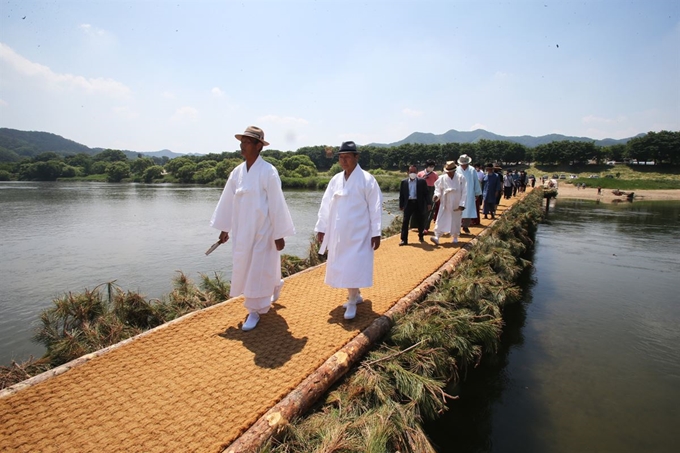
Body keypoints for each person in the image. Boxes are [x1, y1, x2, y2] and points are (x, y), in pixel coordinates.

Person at [210, 126, 295, 331]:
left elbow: (276, 203)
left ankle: (254, 310)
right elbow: (228, 201)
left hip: (263, 230)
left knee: (257, 268)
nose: (242, 145)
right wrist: (225, 228)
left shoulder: (268, 171)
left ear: (259, 146)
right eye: (242, 141)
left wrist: (279, 233)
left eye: (247, 142)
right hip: (241, 231)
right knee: (250, 265)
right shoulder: (237, 173)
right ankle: (275, 283)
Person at [315, 141, 382, 320]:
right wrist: (322, 228)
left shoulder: (367, 180)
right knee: (344, 265)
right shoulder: (335, 180)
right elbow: (325, 204)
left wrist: (376, 232)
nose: (343, 160)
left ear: (356, 157)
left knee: (354, 265)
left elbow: (375, 207)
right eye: (341, 157)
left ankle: (352, 300)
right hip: (339, 232)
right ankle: (356, 294)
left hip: (359, 232)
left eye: (347, 157)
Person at [430, 161, 467, 245]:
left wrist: (462, 204)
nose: (449, 174)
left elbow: (465, 192)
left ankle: (455, 237)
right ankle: (437, 236)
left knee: (455, 220)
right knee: (441, 219)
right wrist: (436, 195)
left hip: (456, 202)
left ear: (454, 171)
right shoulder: (442, 178)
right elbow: (438, 189)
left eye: (450, 172)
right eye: (447, 172)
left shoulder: (461, 178)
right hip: (445, 202)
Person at [399, 165, 430, 245]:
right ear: (407, 172)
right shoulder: (404, 182)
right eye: (410, 172)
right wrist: (401, 205)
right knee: (405, 222)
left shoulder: (422, 181)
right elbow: (401, 195)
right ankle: (404, 240)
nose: (412, 173)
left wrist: (428, 203)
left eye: (414, 172)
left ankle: (421, 236)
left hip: (418, 203)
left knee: (420, 221)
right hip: (408, 203)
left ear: (417, 172)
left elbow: (426, 193)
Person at [456, 154, 482, 232]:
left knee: (469, 209)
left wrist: (477, 192)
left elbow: (475, 181)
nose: (464, 165)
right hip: (459, 192)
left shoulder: (472, 169)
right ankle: (457, 227)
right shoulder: (457, 169)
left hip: (469, 192)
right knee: (458, 210)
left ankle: (465, 226)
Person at [416, 159, 438, 232]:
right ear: (426, 166)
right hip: (421, 192)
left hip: (431, 191)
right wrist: (423, 179)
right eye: (430, 166)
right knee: (421, 209)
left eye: (433, 166)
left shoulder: (435, 174)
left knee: (429, 210)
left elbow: (437, 185)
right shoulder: (420, 173)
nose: (431, 168)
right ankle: (419, 225)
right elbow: (416, 182)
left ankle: (426, 227)